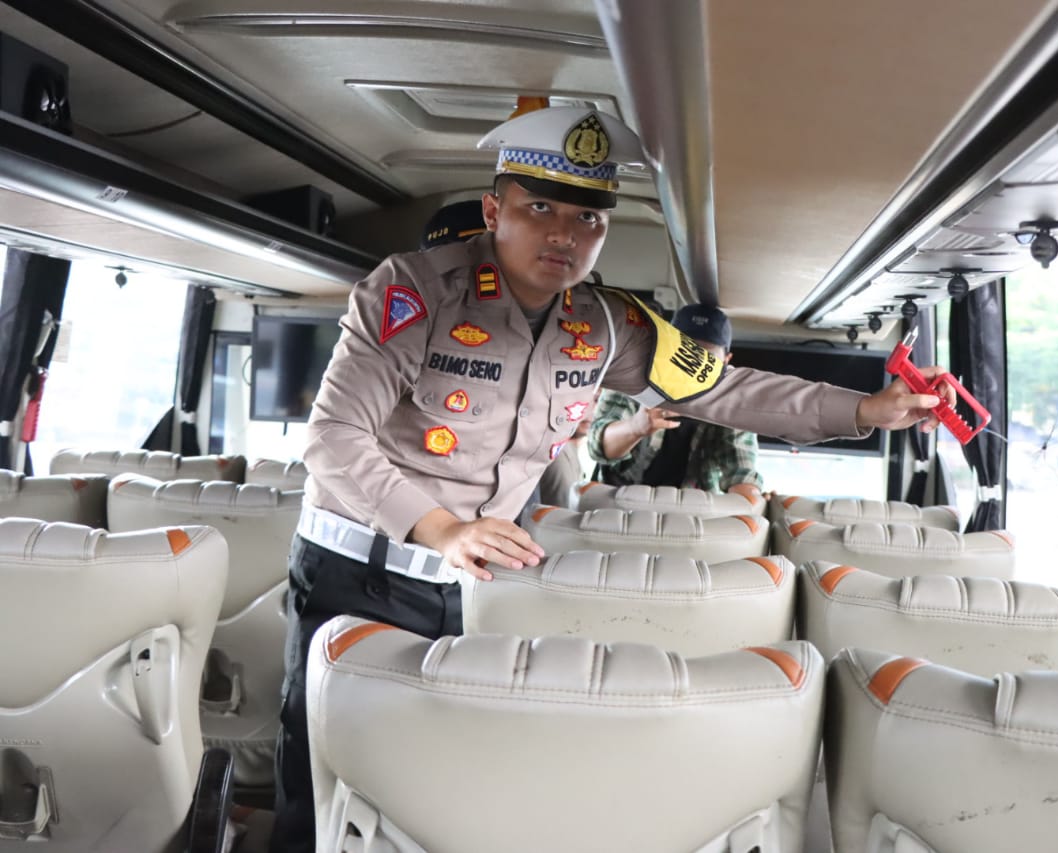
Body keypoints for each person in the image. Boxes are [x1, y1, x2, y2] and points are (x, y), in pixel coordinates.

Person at [271, 105, 953, 853]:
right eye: (540, 209)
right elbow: (335, 437)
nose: (565, 234)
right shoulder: (414, 290)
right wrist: (444, 529)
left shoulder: (605, 325)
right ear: (494, 209)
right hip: (355, 573)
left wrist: (865, 406)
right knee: (324, 793)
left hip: (473, 591)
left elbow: (724, 389)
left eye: (588, 217)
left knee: (441, 796)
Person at [589, 304, 762, 500]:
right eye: (685, 350)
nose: (694, 364)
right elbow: (598, 445)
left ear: (725, 361)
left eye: (707, 355)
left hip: (688, 514)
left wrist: (754, 501)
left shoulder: (732, 404)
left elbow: (741, 471)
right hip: (616, 502)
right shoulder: (631, 377)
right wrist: (636, 427)